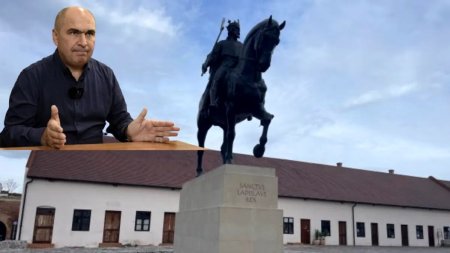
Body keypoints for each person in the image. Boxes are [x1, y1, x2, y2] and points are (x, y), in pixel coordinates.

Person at [0, 6, 179, 149]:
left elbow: (119, 119)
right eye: (74, 32)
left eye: (90, 34)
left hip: (92, 168)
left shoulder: (106, 75)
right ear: (55, 37)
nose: (83, 42)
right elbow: (10, 133)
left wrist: (129, 130)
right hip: (47, 168)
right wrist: (42, 136)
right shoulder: (31, 77)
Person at [201, 20, 243, 108]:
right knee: (217, 79)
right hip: (225, 65)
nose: (238, 32)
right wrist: (205, 65)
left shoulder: (242, 45)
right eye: (236, 29)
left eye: (238, 29)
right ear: (231, 30)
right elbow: (212, 55)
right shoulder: (221, 44)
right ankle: (213, 101)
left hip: (238, 67)